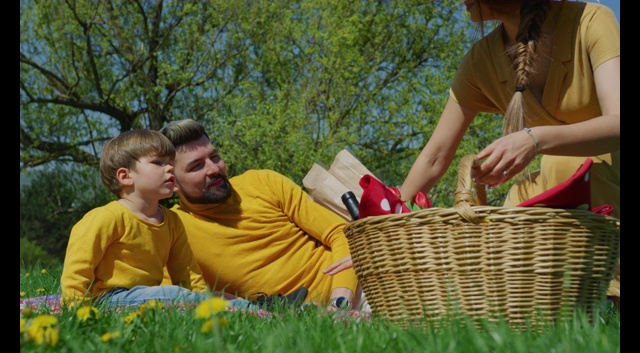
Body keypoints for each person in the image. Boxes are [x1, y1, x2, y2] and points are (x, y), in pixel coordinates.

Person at [400, 0, 619, 306]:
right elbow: (435, 156)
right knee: (498, 233)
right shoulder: (481, 61)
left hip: (610, 184)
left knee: (560, 164)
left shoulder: (592, 20)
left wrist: (535, 140)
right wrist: (387, 218)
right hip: (557, 194)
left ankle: (601, 293)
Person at [159, 119, 365, 312]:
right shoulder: (174, 229)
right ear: (173, 181)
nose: (214, 169)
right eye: (196, 166)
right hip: (287, 317)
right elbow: (172, 297)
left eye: (214, 157)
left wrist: (340, 303)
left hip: (358, 289)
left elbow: (341, 232)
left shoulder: (263, 182)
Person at [60, 129, 256, 310]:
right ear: (125, 176)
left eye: (170, 162)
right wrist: (78, 310)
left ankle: (253, 312)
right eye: (158, 163)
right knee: (173, 295)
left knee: (217, 299)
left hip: (149, 297)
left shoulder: (171, 220)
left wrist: (204, 303)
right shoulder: (106, 217)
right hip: (109, 298)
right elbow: (77, 270)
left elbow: (187, 273)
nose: (170, 168)